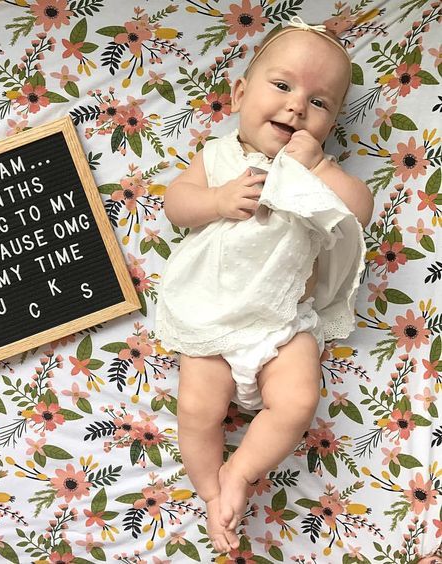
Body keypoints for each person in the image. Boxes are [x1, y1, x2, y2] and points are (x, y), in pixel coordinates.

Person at [155, 18, 375, 553]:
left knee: (297, 402)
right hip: (211, 314)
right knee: (197, 410)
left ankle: (240, 471)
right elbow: (175, 204)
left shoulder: (317, 172)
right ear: (239, 94)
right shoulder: (218, 158)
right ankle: (212, 492)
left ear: (330, 124)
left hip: (283, 323)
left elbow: (360, 211)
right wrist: (215, 201)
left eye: (319, 102)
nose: (297, 106)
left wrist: (319, 167)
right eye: (281, 85)